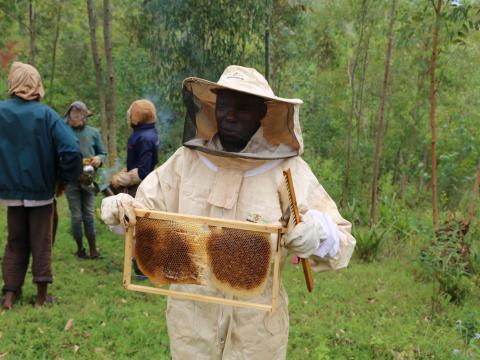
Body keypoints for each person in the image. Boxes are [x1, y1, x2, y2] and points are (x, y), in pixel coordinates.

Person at [101, 65, 356, 359]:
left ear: (263, 113)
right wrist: (119, 210)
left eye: (243, 107)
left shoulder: (287, 170)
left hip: (255, 331)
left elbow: (341, 240)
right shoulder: (188, 161)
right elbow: (142, 215)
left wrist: (317, 232)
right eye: (224, 105)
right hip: (191, 321)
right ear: (213, 106)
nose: (230, 115)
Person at [0, 62, 82, 309]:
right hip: (41, 194)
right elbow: (71, 151)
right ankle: (41, 297)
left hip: (10, 194)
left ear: (13, 82)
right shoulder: (46, 115)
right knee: (41, 242)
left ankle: (9, 296)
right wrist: (63, 179)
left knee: (15, 241)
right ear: (35, 84)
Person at [64, 101, 107, 259]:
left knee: (89, 215)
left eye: (79, 114)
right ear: (69, 116)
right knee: (76, 216)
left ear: (85, 116)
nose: (76, 117)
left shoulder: (93, 133)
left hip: (89, 179)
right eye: (73, 114)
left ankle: (93, 250)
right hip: (70, 180)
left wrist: (98, 158)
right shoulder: (64, 132)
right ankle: (80, 249)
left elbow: (103, 153)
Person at [110, 99, 159, 196]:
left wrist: (120, 180)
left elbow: (143, 172)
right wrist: (126, 170)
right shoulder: (149, 132)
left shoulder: (144, 138)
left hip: (140, 188)